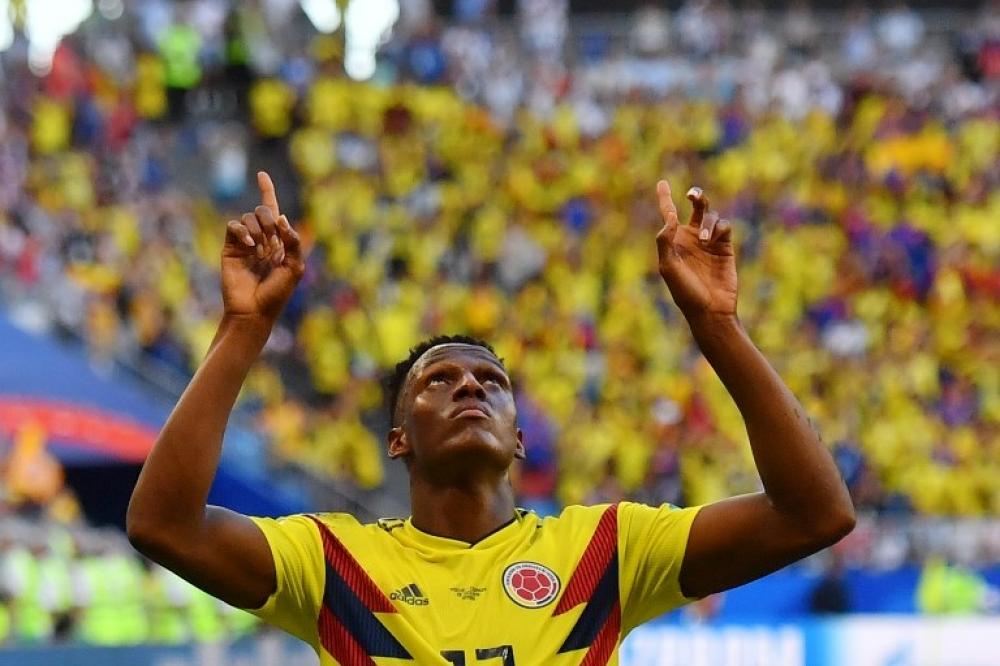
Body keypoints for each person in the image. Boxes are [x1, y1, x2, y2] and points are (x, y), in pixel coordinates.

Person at [127, 172, 855, 664]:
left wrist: (718, 327)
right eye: (438, 380)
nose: (470, 386)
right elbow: (164, 525)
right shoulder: (333, 567)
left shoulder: (607, 551)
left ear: (518, 438)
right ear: (398, 439)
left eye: (492, 382)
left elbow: (815, 514)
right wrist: (245, 328)